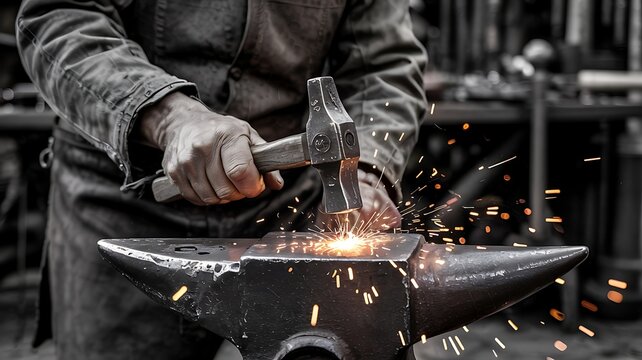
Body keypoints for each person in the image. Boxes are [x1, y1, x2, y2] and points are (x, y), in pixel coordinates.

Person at [16, 0, 428, 359]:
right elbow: (57, 15)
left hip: (286, 206)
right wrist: (170, 118)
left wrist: (369, 172)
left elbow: (383, 65)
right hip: (125, 201)